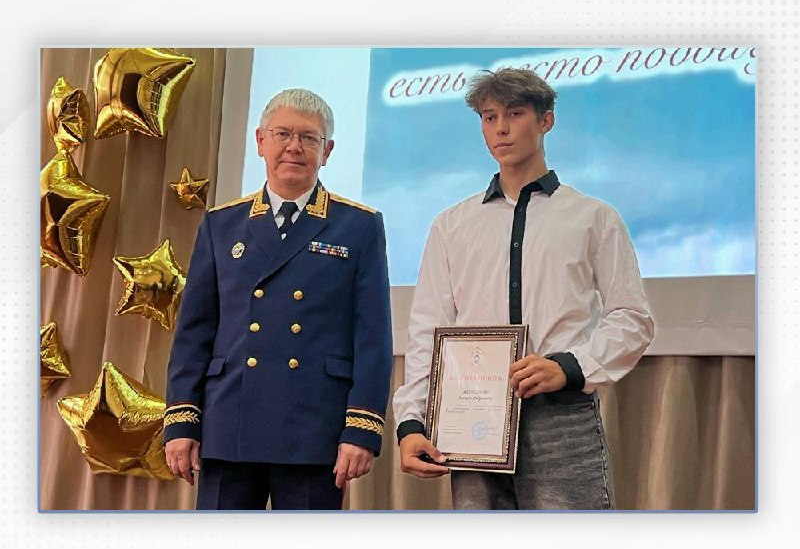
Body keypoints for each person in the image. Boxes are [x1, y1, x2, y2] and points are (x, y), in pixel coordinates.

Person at [393, 68, 654, 510]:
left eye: (514, 114)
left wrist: (570, 366)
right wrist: (411, 422)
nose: (501, 128)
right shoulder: (452, 225)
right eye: (489, 117)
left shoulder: (593, 217)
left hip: (560, 414)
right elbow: (428, 331)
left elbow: (633, 318)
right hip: (472, 414)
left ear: (546, 120)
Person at [163, 88, 393, 510]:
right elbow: (194, 332)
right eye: (282, 134)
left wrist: (361, 429)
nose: (294, 146)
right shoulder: (221, 224)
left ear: (327, 151)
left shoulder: (358, 226)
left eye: (308, 137)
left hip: (314, 429)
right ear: (260, 141)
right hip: (230, 421)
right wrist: (182, 419)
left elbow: (373, 337)